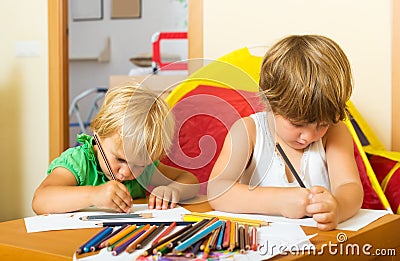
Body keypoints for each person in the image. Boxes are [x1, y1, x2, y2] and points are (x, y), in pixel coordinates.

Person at [207, 35, 363, 231]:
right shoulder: (248, 131)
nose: (308, 136)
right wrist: (278, 200)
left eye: (321, 124)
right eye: (297, 124)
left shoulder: (335, 132)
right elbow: (217, 191)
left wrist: (338, 208)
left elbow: (350, 186)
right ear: (270, 103)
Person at [32, 85, 200, 214]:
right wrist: (93, 195)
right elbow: (40, 200)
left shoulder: (146, 171)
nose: (127, 172)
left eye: (139, 165)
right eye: (120, 159)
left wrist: (173, 190)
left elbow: (189, 180)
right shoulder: (78, 162)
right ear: (98, 133)